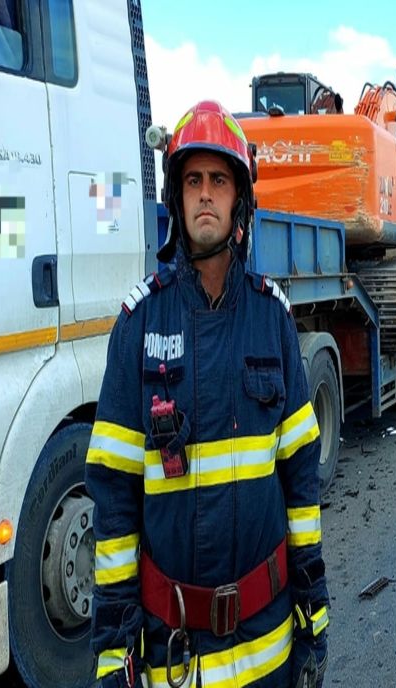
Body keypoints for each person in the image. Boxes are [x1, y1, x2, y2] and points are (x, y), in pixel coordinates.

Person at [86, 101, 329, 688]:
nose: (204, 193)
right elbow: (115, 499)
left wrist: (313, 612)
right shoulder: (139, 324)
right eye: (192, 180)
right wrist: (114, 649)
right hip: (176, 657)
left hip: (270, 647)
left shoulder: (272, 319)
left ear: (239, 199)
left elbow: (299, 480)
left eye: (219, 180)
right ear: (176, 197)